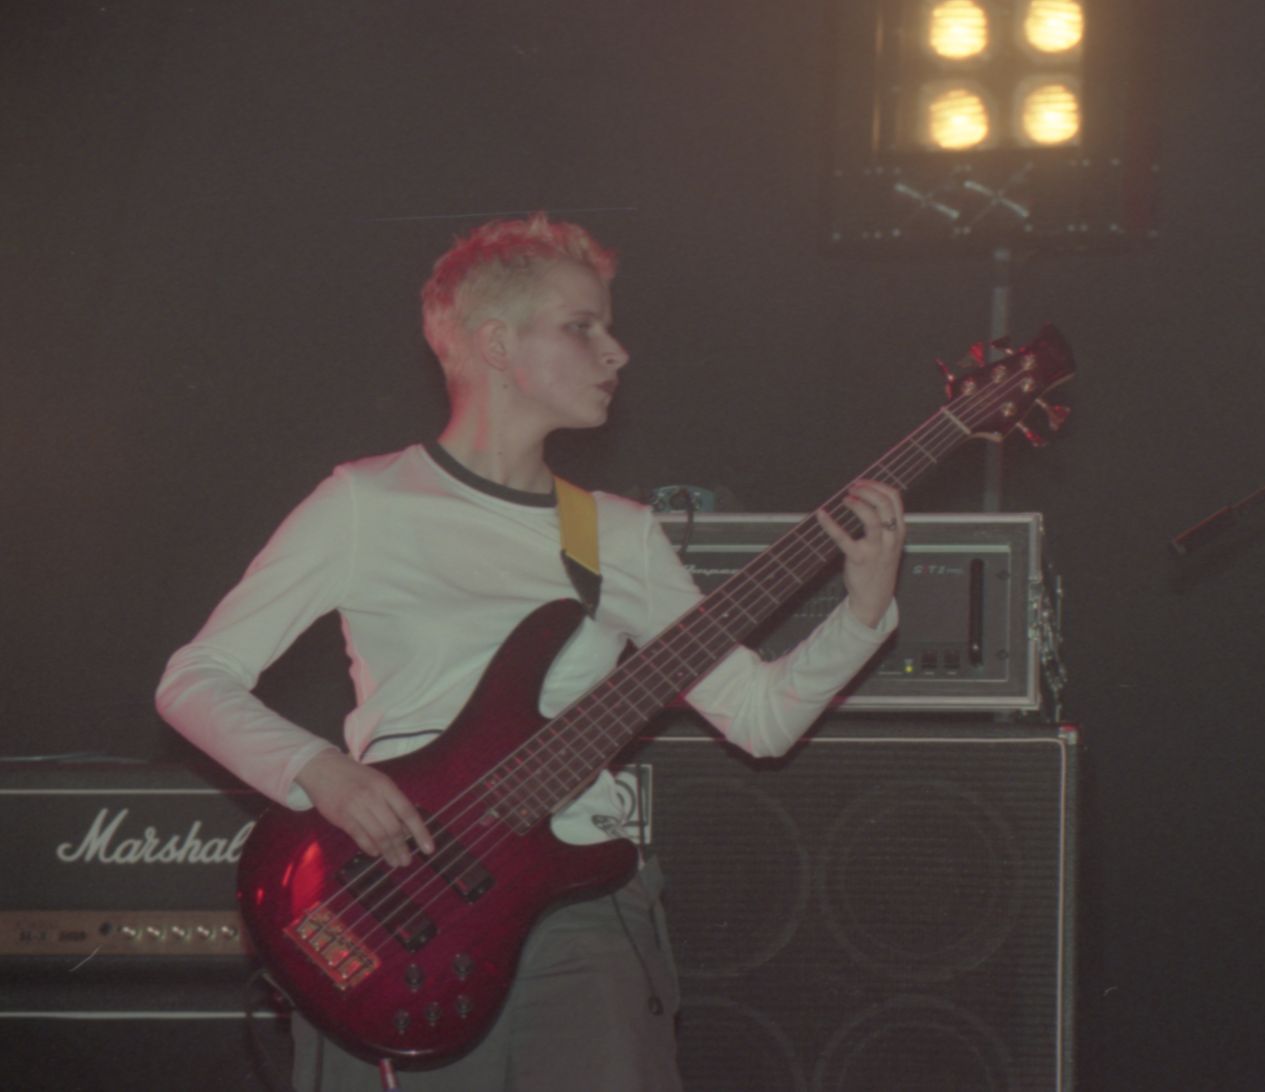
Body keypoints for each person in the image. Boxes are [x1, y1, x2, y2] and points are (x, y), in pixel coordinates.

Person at [155, 213, 904, 1091]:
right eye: (581, 327)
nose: (617, 352)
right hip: (395, 899)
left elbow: (760, 719)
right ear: (497, 344)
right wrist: (320, 771)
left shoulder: (618, 535)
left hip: (579, 903)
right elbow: (194, 680)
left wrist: (863, 610)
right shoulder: (367, 502)